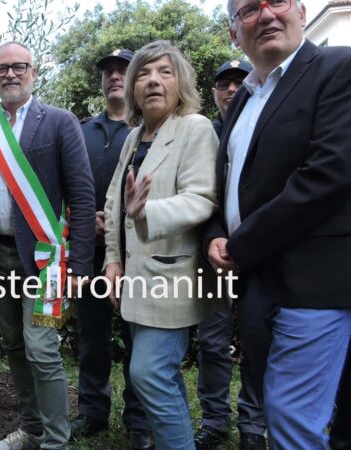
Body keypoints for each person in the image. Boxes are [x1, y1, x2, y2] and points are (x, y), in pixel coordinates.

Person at [205, 0, 351, 448]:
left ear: (302, 13)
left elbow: (330, 172)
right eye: (249, 9)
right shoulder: (244, 98)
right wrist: (215, 233)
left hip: (316, 280)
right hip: (257, 281)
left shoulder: (337, 66)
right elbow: (229, 184)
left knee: (290, 416)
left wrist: (241, 243)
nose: (266, 15)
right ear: (234, 32)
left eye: (278, 2)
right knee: (277, 406)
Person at [0, 41, 95, 450]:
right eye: (1, 69)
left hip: (46, 259)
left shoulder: (60, 123)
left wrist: (80, 268)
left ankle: (55, 441)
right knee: (13, 342)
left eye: (19, 67)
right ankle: (31, 428)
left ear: (34, 72)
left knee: (41, 349)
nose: (10, 74)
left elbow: (83, 198)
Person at [102, 40, 224, 450]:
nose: (153, 80)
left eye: (164, 72)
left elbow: (202, 198)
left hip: (171, 277)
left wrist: (146, 214)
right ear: (134, 86)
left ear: (181, 82)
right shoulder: (134, 136)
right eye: (144, 73)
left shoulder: (195, 128)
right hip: (134, 279)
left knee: (149, 374)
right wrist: (113, 261)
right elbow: (114, 201)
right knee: (161, 375)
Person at [72, 48, 153, 450]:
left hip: (136, 251)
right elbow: (63, 184)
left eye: (123, 69)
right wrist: (82, 217)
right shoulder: (82, 131)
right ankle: (91, 411)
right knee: (92, 337)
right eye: (108, 71)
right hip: (89, 253)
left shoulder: (151, 130)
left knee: (137, 336)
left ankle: (139, 419)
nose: (115, 76)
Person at [194, 58, 255, 450]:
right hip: (215, 255)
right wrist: (213, 237)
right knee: (213, 341)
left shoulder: (266, 128)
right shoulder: (206, 138)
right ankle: (215, 420)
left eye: (239, 82)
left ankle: (254, 424)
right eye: (223, 84)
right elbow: (203, 200)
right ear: (213, 93)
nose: (231, 90)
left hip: (264, 252)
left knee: (260, 337)